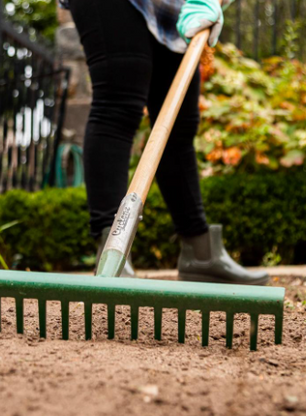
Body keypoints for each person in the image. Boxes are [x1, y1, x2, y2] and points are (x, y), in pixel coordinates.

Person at [60, 0, 269, 285]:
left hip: (173, 7)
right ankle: (112, 255)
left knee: (179, 126)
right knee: (117, 105)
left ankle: (201, 255)